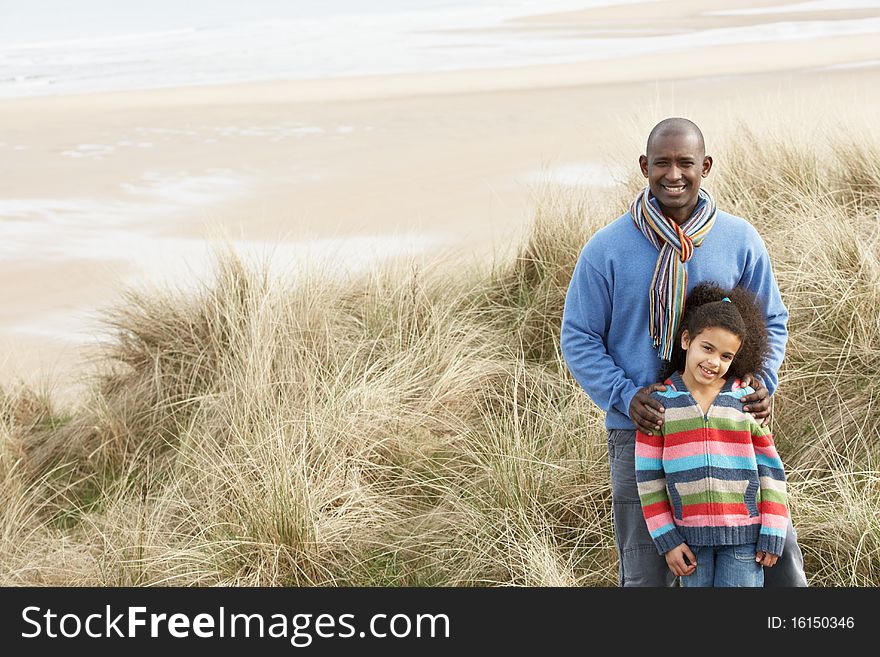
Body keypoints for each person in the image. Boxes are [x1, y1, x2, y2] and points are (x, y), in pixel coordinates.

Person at [560, 117, 806, 586]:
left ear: (705, 167)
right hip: (641, 430)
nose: (674, 174)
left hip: (730, 424)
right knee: (647, 575)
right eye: (662, 163)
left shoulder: (739, 240)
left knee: (777, 566)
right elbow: (579, 336)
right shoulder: (606, 249)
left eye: (686, 163)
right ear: (644, 167)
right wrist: (624, 395)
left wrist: (763, 381)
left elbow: (772, 320)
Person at [635, 283, 788, 587]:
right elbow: (649, 479)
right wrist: (667, 540)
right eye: (707, 348)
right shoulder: (661, 404)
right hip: (690, 545)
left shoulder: (744, 400)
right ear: (686, 340)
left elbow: (770, 468)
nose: (714, 362)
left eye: (726, 356)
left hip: (745, 541)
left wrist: (773, 528)